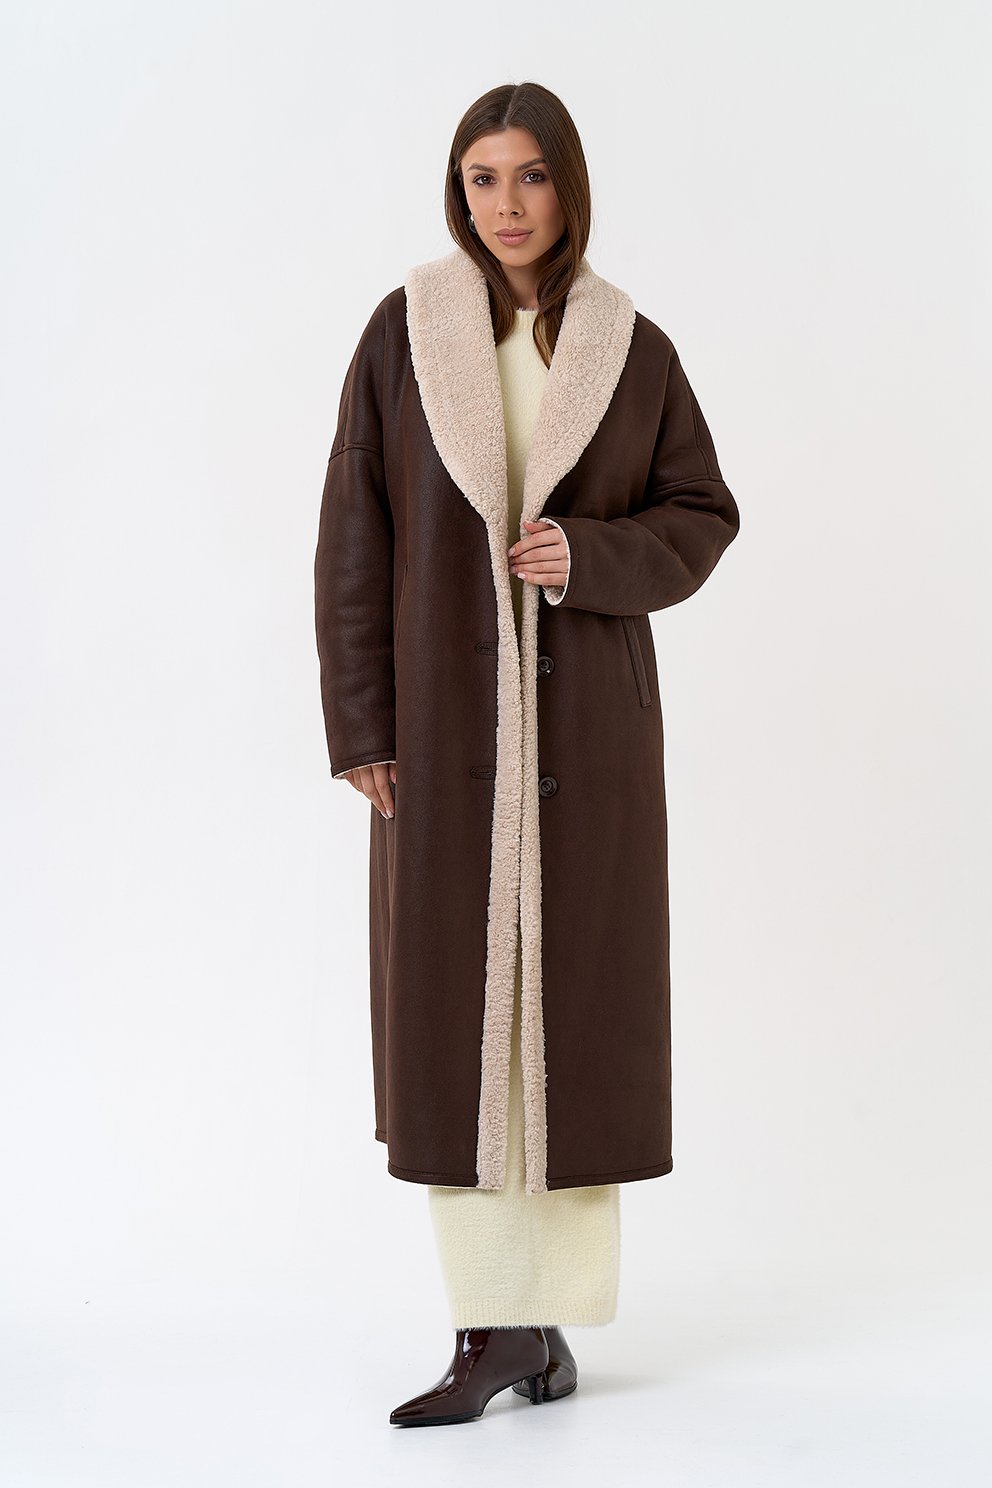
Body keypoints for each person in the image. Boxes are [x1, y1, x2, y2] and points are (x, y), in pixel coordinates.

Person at [314, 81, 739, 1427]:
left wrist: (588, 558)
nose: (506, 204)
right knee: (458, 1023)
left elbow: (703, 512)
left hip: (587, 740)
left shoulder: (629, 346)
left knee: (572, 1020)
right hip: (442, 737)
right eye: (482, 178)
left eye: (531, 176)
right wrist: (363, 726)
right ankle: (494, 1329)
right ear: (459, 192)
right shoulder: (405, 333)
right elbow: (354, 531)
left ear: (570, 186)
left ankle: (533, 1335)